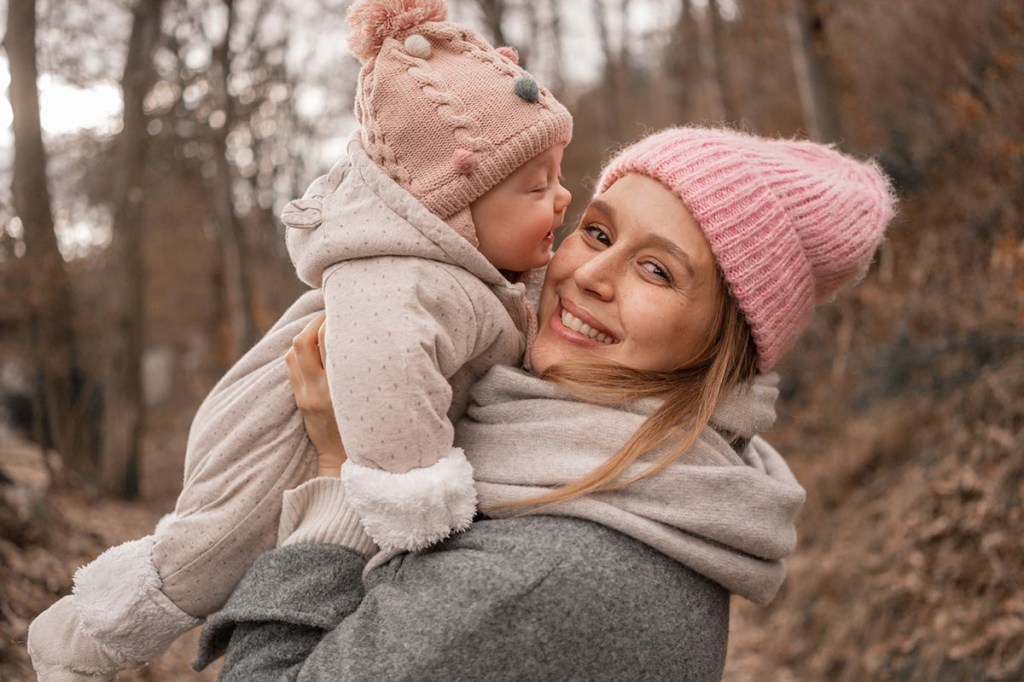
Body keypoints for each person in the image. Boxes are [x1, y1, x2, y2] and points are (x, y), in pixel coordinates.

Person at [193, 126, 897, 680]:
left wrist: (339, 474)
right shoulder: (653, 486)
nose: (589, 274)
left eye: (657, 270)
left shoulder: (550, 572)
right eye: (597, 232)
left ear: (725, 344)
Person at [27, 0, 573, 679]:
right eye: (535, 187)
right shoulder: (405, 278)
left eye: (558, 177)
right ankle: (76, 643)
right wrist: (417, 504)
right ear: (456, 207)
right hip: (278, 438)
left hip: (334, 437)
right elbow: (383, 374)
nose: (561, 199)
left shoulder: (472, 276)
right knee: (204, 558)